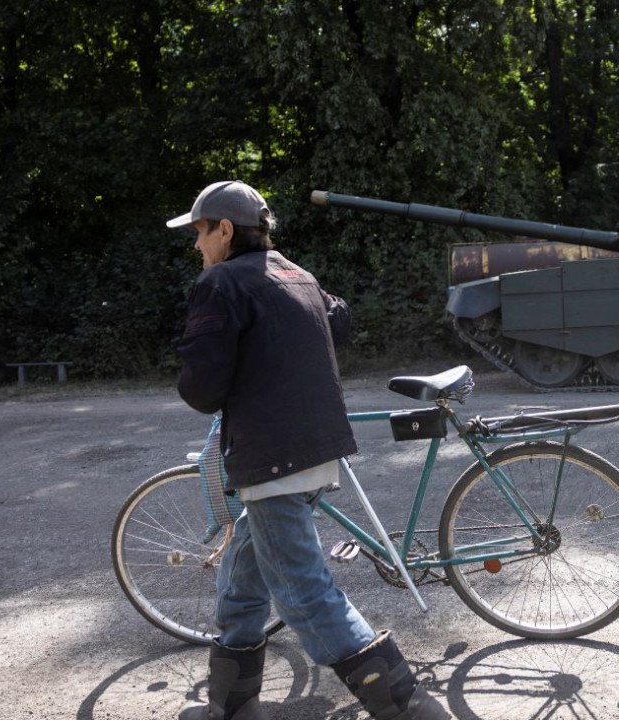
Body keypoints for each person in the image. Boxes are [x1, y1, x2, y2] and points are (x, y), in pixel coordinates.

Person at [168, 180, 449, 720]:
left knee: (306, 597)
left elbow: (201, 391)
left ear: (225, 230)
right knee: (242, 584)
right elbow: (335, 322)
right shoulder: (298, 275)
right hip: (319, 454)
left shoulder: (222, 282)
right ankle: (231, 705)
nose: (197, 245)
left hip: (274, 463)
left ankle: (411, 709)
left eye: (200, 232)